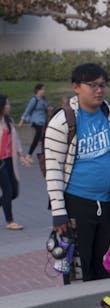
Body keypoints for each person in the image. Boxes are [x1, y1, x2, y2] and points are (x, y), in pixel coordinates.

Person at [43, 63, 110, 282]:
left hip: (108, 205)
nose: (99, 90)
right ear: (76, 87)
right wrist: (59, 213)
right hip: (76, 204)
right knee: (78, 272)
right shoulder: (63, 121)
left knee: (107, 267)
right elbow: (53, 170)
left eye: (103, 85)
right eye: (92, 85)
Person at [0, 94, 31, 231]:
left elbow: (16, 140)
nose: (9, 106)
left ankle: (9, 217)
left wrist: (21, 156)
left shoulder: (9, 120)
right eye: (7, 104)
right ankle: (10, 221)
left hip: (8, 160)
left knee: (14, 192)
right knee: (7, 190)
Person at [18, 83, 49, 158]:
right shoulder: (34, 99)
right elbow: (27, 110)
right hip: (35, 121)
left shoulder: (44, 99)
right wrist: (21, 121)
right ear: (38, 90)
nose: (44, 91)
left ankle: (44, 155)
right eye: (42, 89)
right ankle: (29, 155)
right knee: (38, 136)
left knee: (44, 137)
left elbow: (47, 109)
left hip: (43, 121)